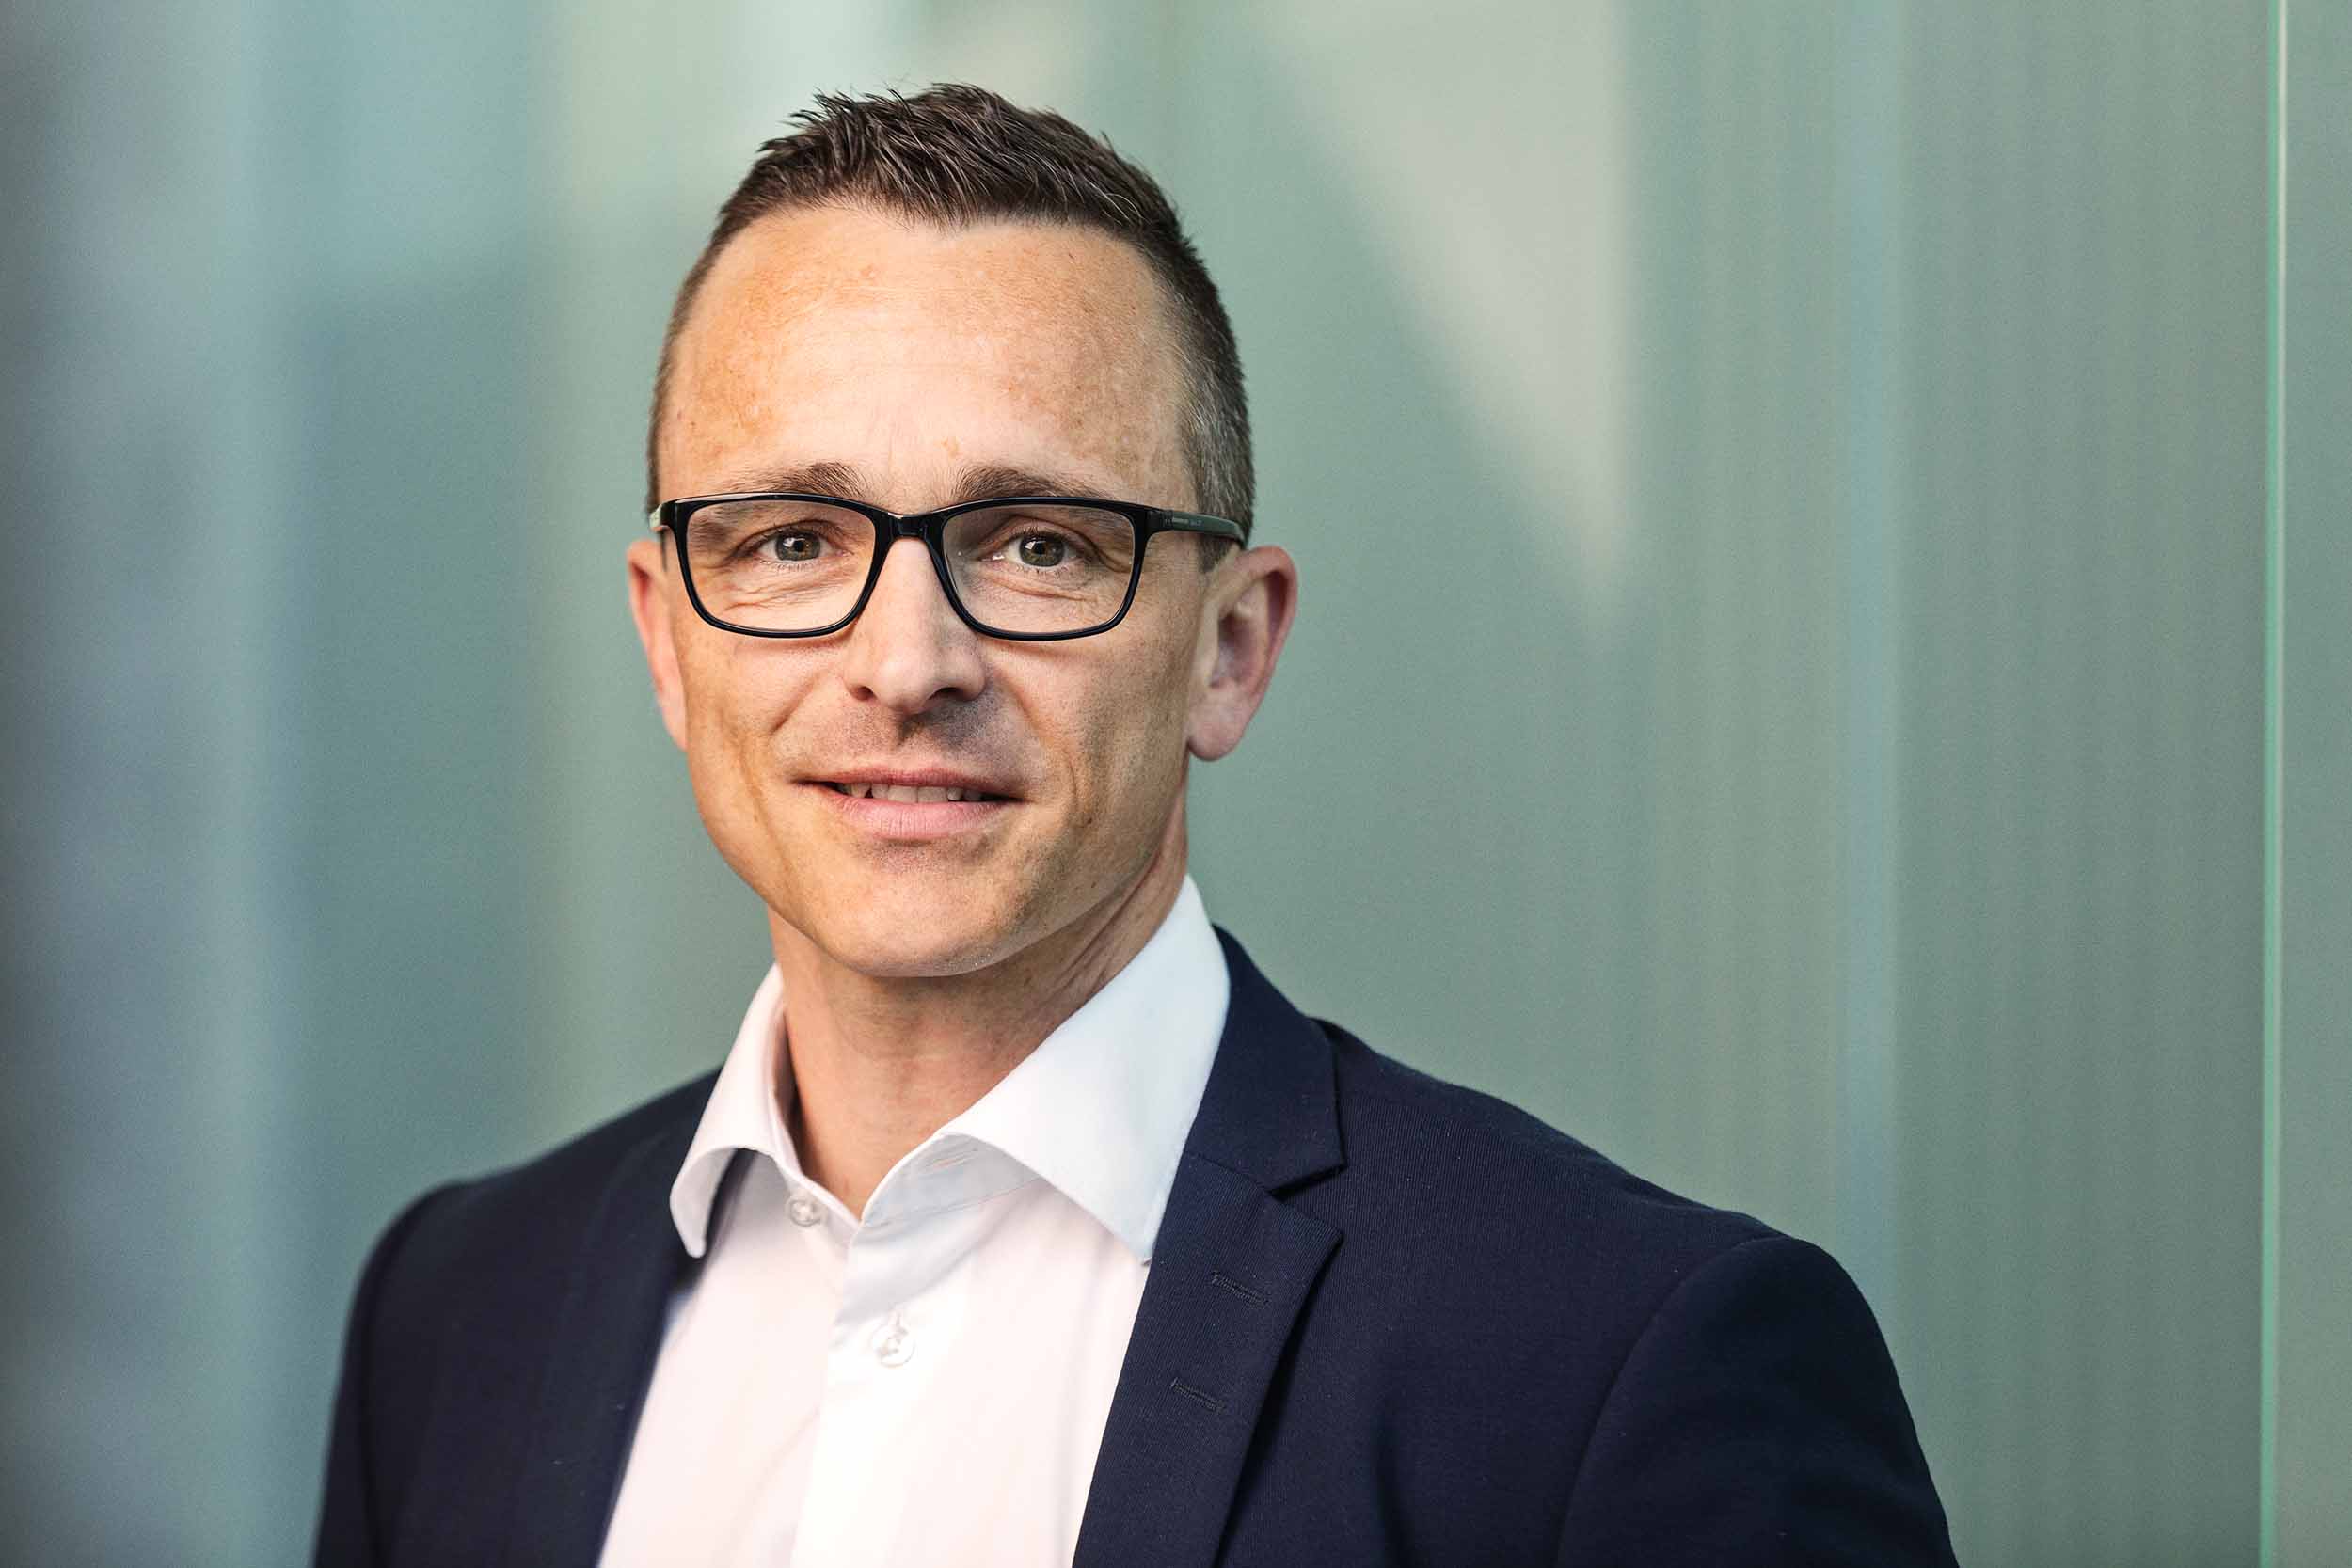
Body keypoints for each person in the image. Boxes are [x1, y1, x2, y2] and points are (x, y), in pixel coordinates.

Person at [311, 84, 1958, 1567]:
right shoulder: (456, 1317)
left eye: (1039, 544)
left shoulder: (1619, 1365)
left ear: (1228, 651)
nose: (907, 665)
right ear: (670, 643)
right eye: (794, 541)